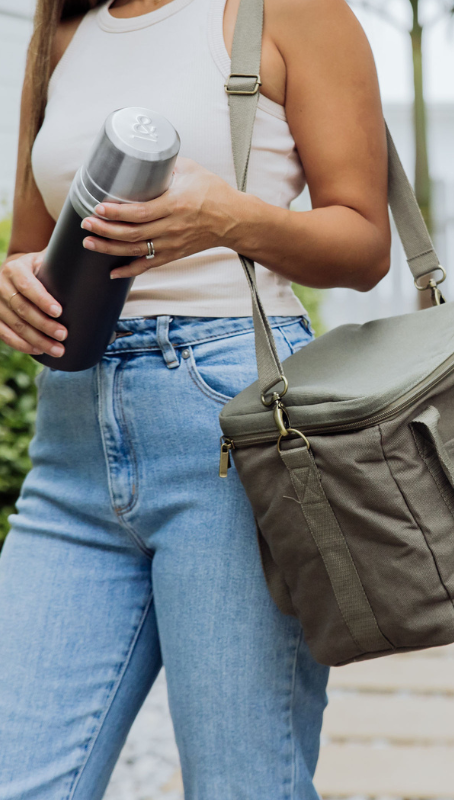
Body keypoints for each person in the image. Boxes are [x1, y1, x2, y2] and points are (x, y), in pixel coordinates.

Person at [0, 0, 391, 796]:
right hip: (72, 439)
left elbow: (364, 243)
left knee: (242, 782)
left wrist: (226, 218)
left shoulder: (287, 11)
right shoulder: (60, 31)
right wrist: (11, 287)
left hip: (232, 429)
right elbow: (30, 249)